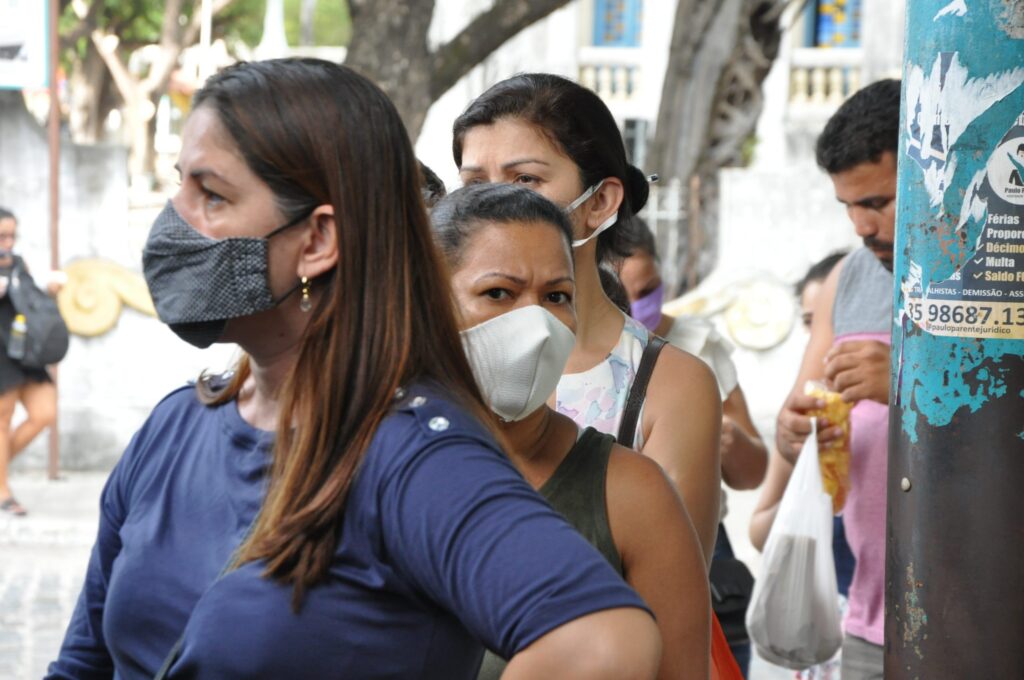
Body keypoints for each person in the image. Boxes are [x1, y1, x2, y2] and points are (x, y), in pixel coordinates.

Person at [47, 59, 661, 680]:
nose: (176, 221)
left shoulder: (413, 457)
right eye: (181, 185)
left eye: (212, 195)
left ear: (317, 241)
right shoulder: (175, 427)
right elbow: (84, 662)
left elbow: (602, 640)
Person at [431, 182, 711, 680]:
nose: (536, 324)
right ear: (429, 303)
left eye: (556, 296)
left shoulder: (633, 494)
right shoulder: (381, 468)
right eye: (499, 293)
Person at [452, 73, 723, 569]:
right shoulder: (425, 364)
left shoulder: (669, 385)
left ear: (598, 202)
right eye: (474, 185)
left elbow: (669, 602)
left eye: (526, 180)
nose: (495, 205)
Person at [775, 79, 900, 680]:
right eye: (847, 206)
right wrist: (794, 431)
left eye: (878, 202)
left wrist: (907, 381)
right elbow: (791, 433)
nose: (860, 226)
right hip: (868, 623)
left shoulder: (1003, 264)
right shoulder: (849, 278)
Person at [614, 216, 767, 676]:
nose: (644, 305)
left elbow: (752, 473)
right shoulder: (592, 359)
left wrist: (728, 440)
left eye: (652, 288)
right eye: (630, 295)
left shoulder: (698, 344)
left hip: (706, 546)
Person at [749, 250, 851, 680]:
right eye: (810, 325)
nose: (820, 343)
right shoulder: (806, 417)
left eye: (828, 323)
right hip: (813, 633)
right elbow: (758, 531)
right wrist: (805, 484)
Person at [0, 207, 61, 517]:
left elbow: (32, 300)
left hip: (27, 351)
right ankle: (3, 493)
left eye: (12, 235)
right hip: (1, 355)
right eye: (2, 236)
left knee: (45, 412)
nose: (8, 242)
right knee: (2, 420)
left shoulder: (17, 263)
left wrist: (50, 292)